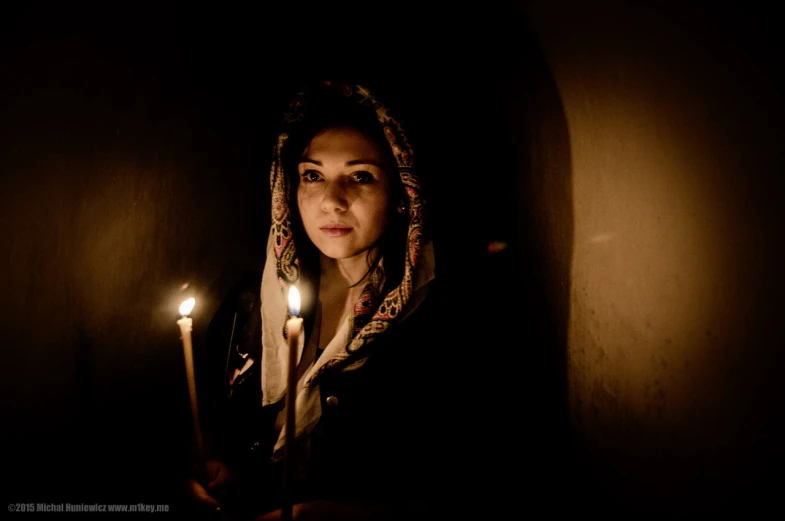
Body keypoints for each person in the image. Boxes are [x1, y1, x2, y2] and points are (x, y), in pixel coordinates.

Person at [187, 80, 446, 520]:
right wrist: (208, 465)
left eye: (360, 176)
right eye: (313, 175)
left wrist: (332, 514)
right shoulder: (250, 299)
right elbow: (207, 411)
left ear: (404, 195)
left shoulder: (438, 321)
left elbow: (458, 485)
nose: (331, 201)